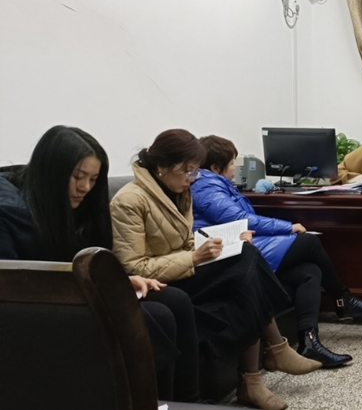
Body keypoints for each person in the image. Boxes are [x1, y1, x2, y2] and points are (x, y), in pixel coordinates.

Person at [110, 129, 321, 410]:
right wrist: (194, 258)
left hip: (183, 269)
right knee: (246, 270)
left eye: (195, 171)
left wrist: (219, 242)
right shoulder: (129, 201)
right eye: (187, 171)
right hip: (160, 283)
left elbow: (185, 241)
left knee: (245, 253)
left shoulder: (178, 191)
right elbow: (134, 267)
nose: (191, 179)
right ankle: (270, 356)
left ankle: (256, 376)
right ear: (162, 166)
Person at [0, 126, 201, 403]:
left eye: (93, 179)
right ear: (51, 172)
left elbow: (76, 260)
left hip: (71, 292)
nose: (85, 187)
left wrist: (115, 282)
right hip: (37, 310)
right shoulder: (10, 213)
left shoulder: (67, 202)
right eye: (77, 177)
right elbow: (17, 284)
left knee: (174, 300)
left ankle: (188, 401)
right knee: (158, 317)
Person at [191, 135, 362, 368]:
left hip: (243, 244)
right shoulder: (206, 187)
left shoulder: (215, 184)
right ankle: (343, 299)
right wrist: (287, 227)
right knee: (309, 243)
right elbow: (240, 219)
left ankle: (309, 342)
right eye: (232, 163)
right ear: (215, 167)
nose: (235, 168)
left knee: (310, 271)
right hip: (229, 253)